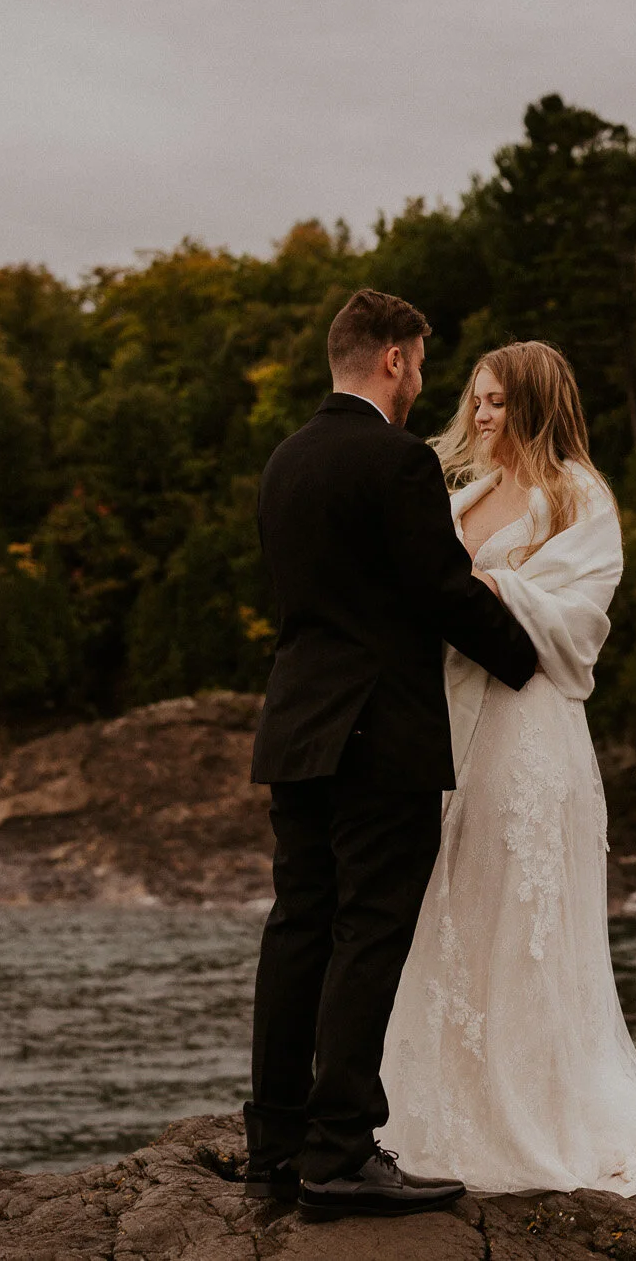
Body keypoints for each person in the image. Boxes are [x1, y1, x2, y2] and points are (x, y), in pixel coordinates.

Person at [378, 340, 636, 1226]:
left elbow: (579, 619)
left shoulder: (578, 496)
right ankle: (436, 1110)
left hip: (528, 735)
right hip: (451, 729)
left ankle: (529, 1111)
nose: (480, 415)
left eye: (497, 402)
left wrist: (490, 585)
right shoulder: (465, 495)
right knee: (451, 908)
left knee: (521, 921)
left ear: (536, 404)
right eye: (475, 400)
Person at [245, 290, 539, 1222]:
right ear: (393, 362)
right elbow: (440, 589)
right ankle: (339, 1152)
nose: (422, 382)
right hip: (381, 735)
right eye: (418, 363)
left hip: (295, 729)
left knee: (298, 929)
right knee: (368, 933)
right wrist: (527, 658)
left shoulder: (284, 462)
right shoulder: (397, 460)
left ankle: (275, 1145)